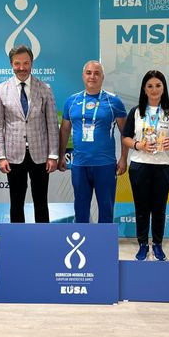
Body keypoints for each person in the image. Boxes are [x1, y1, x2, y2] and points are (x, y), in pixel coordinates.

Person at [0, 45, 59, 223]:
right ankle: (17, 237)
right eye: (17, 63)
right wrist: (1, 156)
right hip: (13, 156)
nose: (21, 68)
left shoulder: (45, 88)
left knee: (41, 202)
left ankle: (43, 237)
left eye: (26, 63)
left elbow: (52, 124)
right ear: (11, 64)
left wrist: (53, 155)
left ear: (32, 63)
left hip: (41, 155)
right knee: (16, 202)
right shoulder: (1, 89)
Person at [122, 70, 169, 261]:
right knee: (141, 208)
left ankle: (157, 244)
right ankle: (142, 244)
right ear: (144, 89)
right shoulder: (136, 112)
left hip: (163, 166)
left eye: (158, 85)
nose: (154, 89)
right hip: (140, 165)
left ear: (164, 88)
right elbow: (125, 138)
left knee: (159, 208)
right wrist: (139, 145)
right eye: (150, 86)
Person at [58, 61, 127, 223]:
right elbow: (65, 130)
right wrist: (61, 155)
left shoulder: (114, 102)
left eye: (97, 73)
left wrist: (124, 158)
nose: (92, 76)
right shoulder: (72, 101)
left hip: (105, 164)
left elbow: (126, 133)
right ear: (83, 76)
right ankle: (82, 238)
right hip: (80, 164)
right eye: (89, 73)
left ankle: (104, 239)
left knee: (106, 209)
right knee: (81, 210)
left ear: (102, 77)